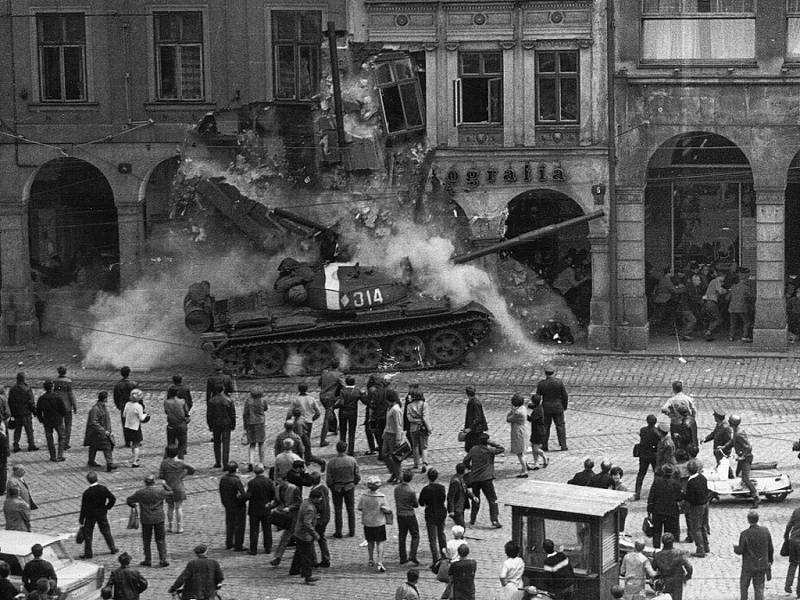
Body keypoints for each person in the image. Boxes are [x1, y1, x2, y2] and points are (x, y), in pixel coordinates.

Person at [126, 474, 172, 567]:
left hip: (146, 518)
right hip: (159, 518)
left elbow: (129, 500)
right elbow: (171, 492)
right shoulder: (160, 491)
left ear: (145, 483)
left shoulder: (140, 492)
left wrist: (133, 505)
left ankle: (148, 559)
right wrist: (165, 485)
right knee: (160, 540)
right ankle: (163, 559)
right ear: (154, 482)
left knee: (146, 540)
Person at [463, 433, 504, 528]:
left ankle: (472, 520)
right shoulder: (490, 450)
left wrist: (471, 468)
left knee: (475, 499)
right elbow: (502, 449)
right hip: (487, 479)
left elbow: (465, 461)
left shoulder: (473, 450)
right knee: (492, 499)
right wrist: (492, 442)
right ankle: (494, 520)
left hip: (475, 479)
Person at [722, 414, 760, 508]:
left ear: (732, 423)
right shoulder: (736, 431)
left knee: (745, 478)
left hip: (746, 458)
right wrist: (724, 447)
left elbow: (748, 447)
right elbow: (732, 441)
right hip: (741, 457)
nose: (728, 422)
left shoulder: (739, 433)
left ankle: (756, 497)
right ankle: (743, 491)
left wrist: (742, 457)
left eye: (730, 421)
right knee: (737, 474)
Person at [735, 510, 773, 600]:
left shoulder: (744, 534)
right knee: (759, 588)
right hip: (761, 565)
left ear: (748, 520)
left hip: (748, 566)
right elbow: (770, 548)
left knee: (744, 587)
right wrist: (770, 561)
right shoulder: (765, 531)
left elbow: (740, 550)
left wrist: (735, 548)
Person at [79, 471, 118, 558]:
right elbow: (112, 498)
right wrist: (107, 507)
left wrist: (81, 519)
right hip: (101, 513)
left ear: (88, 480)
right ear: (97, 478)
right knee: (106, 531)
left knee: (88, 534)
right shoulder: (103, 488)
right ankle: (112, 548)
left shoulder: (87, 492)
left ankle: (88, 553)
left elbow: (84, 507)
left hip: (90, 515)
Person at [358, 475, 393, 572]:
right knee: (380, 542)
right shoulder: (381, 497)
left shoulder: (364, 496)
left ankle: (370, 558)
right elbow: (387, 509)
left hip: (367, 522)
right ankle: (380, 561)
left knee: (370, 541)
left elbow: (360, 507)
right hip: (378, 522)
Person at [289, 488, 323, 585]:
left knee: (299, 553)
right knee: (307, 556)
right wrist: (315, 534)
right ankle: (308, 576)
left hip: (298, 533)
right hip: (305, 535)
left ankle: (294, 570)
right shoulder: (310, 509)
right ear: (314, 498)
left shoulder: (305, 503)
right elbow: (307, 524)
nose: (320, 500)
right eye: (319, 498)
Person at [326, 440, 360, 538]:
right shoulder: (352, 460)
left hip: (337, 487)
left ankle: (338, 531)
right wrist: (354, 483)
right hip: (349, 486)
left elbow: (329, 479)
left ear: (337, 449)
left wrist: (331, 487)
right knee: (351, 510)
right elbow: (357, 475)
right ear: (346, 449)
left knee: (338, 510)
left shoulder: (332, 462)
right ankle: (352, 531)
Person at [158, 447, 195, 534]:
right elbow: (192, 469)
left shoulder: (164, 463)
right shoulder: (181, 463)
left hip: (168, 487)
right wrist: (184, 475)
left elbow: (161, 476)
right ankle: (179, 527)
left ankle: (170, 526)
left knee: (170, 507)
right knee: (179, 507)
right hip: (179, 486)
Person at [268, 478, 302, 567]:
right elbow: (277, 501)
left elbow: (299, 502)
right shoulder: (277, 488)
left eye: (280, 481)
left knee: (293, 537)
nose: (278, 483)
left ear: (286, 480)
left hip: (295, 516)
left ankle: (306, 557)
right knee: (286, 537)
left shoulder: (294, 488)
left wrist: (290, 508)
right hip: (284, 516)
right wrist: (271, 505)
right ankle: (278, 557)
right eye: (277, 482)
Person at [535, 364, 569, 451]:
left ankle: (544, 445)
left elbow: (537, 398)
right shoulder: (559, 382)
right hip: (558, 407)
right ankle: (563, 445)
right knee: (560, 426)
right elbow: (565, 396)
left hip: (546, 408)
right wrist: (564, 406)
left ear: (545, 373)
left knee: (545, 426)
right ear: (553, 373)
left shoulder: (541, 384)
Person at [647, 464, 682, 549]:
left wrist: (649, 510)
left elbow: (651, 496)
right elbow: (679, 497)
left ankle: (656, 548)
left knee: (656, 532)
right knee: (669, 532)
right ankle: (667, 548)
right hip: (671, 511)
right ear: (672, 472)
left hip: (658, 511)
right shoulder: (676, 483)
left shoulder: (657, 482)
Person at [83, 392, 119, 472]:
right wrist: (104, 431)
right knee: (106, 446)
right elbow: (94, 422)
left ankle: (91, 461)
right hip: (98, 433)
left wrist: (110, 430)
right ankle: (109, 464)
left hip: (100, 432)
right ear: (105, 399)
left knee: (94, 446)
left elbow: (106, 420)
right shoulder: (95, 409)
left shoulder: (102, 407)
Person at [418, 468, 447, 567]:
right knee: (441, 534)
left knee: (432, 539)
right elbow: (443, 498)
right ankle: (444, 555)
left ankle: (436, 559)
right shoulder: (441, 487)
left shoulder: (426, 489)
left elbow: (421, 502)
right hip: (441, 512)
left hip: (430, 513)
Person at [245, 463, 275, 555]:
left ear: (254, 472)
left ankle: (253, 549)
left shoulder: (251, 483)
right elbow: (273, 495)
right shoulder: (269, 482)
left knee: (254, 530)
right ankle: (268, 548)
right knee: (267, 529)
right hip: (266, 508)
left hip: (254, 509)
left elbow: (248, 496)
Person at [35, 379, 66, 462]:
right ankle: (60, 455)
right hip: (58, 419)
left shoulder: (42, 398)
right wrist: (61, 416)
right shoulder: (58, 397)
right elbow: (63, 409)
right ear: (52, 387)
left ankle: (52, 456)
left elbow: (38, 411)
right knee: (62, 437)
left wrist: (41, 419)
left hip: (47, 420)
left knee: (49, 438)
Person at [206, 383, 235, 469]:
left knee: (217, 443)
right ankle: (226, 463)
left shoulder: (211, 401)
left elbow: (209, 415)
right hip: (226, 424)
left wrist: (210, 425)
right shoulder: (229, 400)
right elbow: (232, 414)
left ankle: (217, 462)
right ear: (223, 390)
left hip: (216, 424)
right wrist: (233, 424)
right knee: (226, 444)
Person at [684, 459, 709, 558]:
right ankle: (706, 546)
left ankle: (700, 549)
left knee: (696, 528)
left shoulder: (691, 482)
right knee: (703, 525)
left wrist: (683, 495)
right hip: (705, 504)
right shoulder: (702, 478)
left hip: (697, 506)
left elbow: (690, 498)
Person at [394, 470, 420, 566]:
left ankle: (402, 557)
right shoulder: (411, 491)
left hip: (400, 514)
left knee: (402, 535)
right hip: (409, 514)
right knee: (415, 535)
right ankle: (412, 555)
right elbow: (416, 504)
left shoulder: (396, 489)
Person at [218, 462, 246, 551]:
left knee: (230, 524)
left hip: (228, 505)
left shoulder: (223, 479)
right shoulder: (236, 480)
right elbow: (243, 494)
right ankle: (238, 545)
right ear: (236, 470)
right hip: (238, 506)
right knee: (239, 526)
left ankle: (229, 543)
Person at [9, 372, 38, 452]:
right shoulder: (27, 389)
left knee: (17, 430)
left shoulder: (12, 389)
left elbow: (10, 402)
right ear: (24, 379)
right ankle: (31, 445)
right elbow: (31, 402)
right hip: (26, 413)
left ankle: (16, 444)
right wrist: (35, 411)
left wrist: (12, 413)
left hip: (17, 413)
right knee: (29, 430)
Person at [317, 359, 343, 448]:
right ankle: (322, 440)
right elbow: (344, 385)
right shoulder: (339, 374)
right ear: (338, 365)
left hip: (322, 397)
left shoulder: (324, 372)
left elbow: (319, 383)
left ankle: (334, 429)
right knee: (327, 418)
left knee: (331, 411)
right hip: (330, 398)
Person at [634, 414, 660, 500]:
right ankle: (655, 493)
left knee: (641, 473)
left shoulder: (643, 430)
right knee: (656, 474)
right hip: (653, 455)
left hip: (644, 455)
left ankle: (637, 493)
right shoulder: (657, 432)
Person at [308, 472, 331, 568]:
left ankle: (314, 560)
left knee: (313, 538)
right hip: (325, 517)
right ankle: (325, 558)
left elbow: (319, 506)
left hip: (319, 519)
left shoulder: (316, 492)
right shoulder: (324, 488)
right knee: (321, 538)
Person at [242, 388, 268, 470]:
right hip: (260, 423)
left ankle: (251, 462)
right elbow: (266, 408)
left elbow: (245, 414)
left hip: (250, 423)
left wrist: (245, 426)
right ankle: (262, 462)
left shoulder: (248, 401)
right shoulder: (262, 401)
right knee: (261, 443)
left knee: (252, 444)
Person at [406, 388, 432, 473]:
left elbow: (409, 418)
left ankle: (416, 464)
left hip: (413, 428)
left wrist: (416, 421)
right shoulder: (424, 404)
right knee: (424, 446)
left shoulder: (409, 406)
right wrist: (429, 428)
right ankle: (424, 463)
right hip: (423, 428)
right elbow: (425, 418)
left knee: (415, 446)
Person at [335, 376, 362, 456]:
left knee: (343, 431)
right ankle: (351, 450)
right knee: (352, 432)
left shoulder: (342, 390)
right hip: (353, 412)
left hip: (343, 412)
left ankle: (342, 449)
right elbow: (364, 400)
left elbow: (341, 402)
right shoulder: (357, 391)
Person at [53, 365, 77, 451]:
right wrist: (74, 405)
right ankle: (66, 443)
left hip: (57, 406)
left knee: (59, 424)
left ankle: (61, 439)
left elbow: (54, 393)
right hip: (67, 406)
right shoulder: (68, 381)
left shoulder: (55, 381)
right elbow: (70, 395)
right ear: (65, 372)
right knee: (68, 425)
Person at [702, 409, 733, 474]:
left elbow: (729, 440)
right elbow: (714, 433)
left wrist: (724, 449)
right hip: (717, 449)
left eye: (715, 417)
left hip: (722, 451)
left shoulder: (726, 427)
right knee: (721, 463)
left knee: (723, 464)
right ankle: (728, 474)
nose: (714, 418)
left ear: (717, 418)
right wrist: (705, 439)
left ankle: (730, 475)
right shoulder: (719, 424)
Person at [122, 389, 148, 467]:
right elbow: (141, 418)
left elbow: (124, 415)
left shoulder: (127, 404)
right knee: (136, 444)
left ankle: (134, 457)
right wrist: (146, 415)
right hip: (135, 427)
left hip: (127, 426)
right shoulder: (139, 406)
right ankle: (134, 462)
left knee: (132, 444)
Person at [383, 391, 404, 484]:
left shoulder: (396, 410)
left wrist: (398, 438)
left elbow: (398, 425)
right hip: (388, 433)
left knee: (395, 457)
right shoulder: (390, 408)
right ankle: (394, 472)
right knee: (384, 454)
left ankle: (399, 475)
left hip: (393, 435)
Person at [163, 387, 190, 459]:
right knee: (181, 445)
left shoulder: (166, 402)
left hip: (171, 425)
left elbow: (166, 412)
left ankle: (170, 460)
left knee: (171, 444)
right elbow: (186, 411)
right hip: (181, 424)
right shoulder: (182, 401)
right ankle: (180, 460)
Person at [702, 270, 728, 340]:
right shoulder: (716, 281)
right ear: (722, 277)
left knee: (712, 319)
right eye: (723, 279)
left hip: (707, 302)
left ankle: (709, 335)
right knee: (718, 319)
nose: (723, 281)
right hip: (712, 302)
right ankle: (708, 332)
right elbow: (720, 291)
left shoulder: (713, 282)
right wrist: (727, 290)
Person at [506, 394, 528, 478]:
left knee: (519, 453)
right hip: (523, 430)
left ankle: (524, 470)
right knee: (523, 450)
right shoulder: (523, 408)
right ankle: (525, 466)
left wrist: (512, 411)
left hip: (518, 432)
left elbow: (508, 418)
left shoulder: (517, 412)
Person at [447, 463, 473, 528]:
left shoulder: (460, 478)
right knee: (461, 527)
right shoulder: (455, 481)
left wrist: (473, 497)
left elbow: (465, 489)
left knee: (461, 526)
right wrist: (451, 510)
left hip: (461, 506)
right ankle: (459, 537)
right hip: (457, 508)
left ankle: (460, 537)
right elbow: (451, 497)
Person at [462, 386, 487, 452]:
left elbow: (478, 418)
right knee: (470, 447)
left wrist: (470, 428)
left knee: (472, 447)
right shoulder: (473, 402)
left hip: (475, 430)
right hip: (474, 429)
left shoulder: (475, 403)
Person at [527, 394, 548, 470]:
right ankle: (536, 462)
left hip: (538, 432)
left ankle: (544, 457)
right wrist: (527, 405)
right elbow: (531, 406)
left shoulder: (537, 411)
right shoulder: (539, 407)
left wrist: (524, 415)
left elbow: (531, 419)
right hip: (536, 431)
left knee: (535, 449)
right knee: (533, 447)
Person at [784, 504, 800, 596]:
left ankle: (788, 585)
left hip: (793, 540)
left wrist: (786, 537)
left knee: (793, 564)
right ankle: (799, 592)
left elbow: (789, 525)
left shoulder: (797, 511)